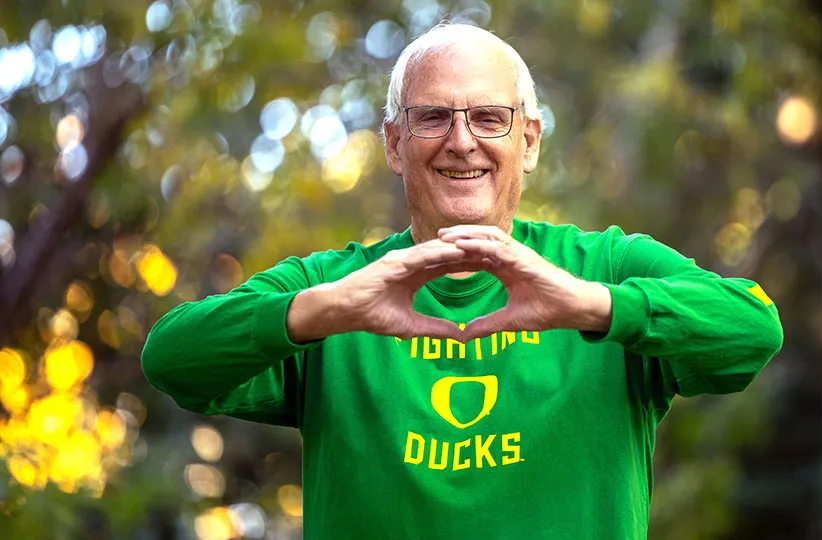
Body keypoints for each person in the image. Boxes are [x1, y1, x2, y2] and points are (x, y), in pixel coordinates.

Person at [141, 22, 783, 540]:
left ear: (528, 142)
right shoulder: (331, 287)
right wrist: (319, 314)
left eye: (489, 118)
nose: (461, 142)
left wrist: (592, 307)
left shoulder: (605, 269)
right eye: (431, 118)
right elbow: (172, 359)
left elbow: (753, 330)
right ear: (394, 145)